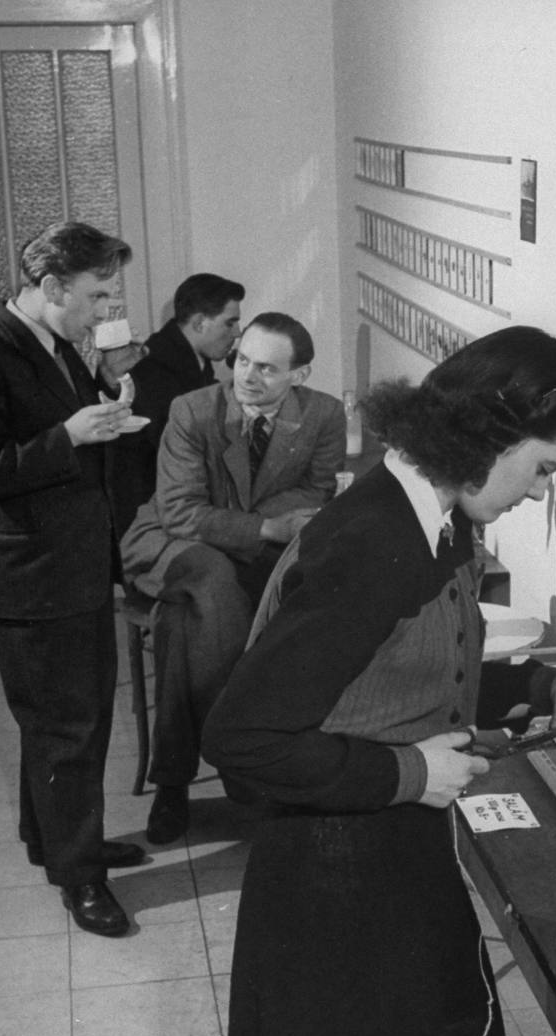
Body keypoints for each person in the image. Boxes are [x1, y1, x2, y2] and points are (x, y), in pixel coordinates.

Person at [200, 326, 556, 1036]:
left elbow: (398, 673)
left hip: (387, 878)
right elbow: (245, 738)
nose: (543, 492)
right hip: (339, 900)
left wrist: (533, 688)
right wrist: (410, 776)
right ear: (487, 436)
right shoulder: (374, 538)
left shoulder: (434, 518)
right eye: (546, 469)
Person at [0, 220, 147, 937]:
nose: (102, 309)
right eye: (96, 294)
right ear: (52, 286)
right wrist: (71, 437)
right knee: (68, 726)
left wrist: (111, 391)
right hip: (28, 578)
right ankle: (80, 877)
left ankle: (55, 841)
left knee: (66, 717)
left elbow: (69, 415)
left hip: (73, 564)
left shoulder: (55, 340)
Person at [121, 312, 347, 844]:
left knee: (185, 622)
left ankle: (173, 782)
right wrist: (265, 524)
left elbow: (317, 494)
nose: (247, 376)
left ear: (301, 374)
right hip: (174, 545)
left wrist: (256, 525)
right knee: (212, 577)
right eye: (242, 360)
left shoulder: (324, 415)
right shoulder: (193, 409)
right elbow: (178, 510)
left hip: (248, 556)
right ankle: (239, 768)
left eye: (267, 369)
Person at [111, 272, 245, 537]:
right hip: (150, 518)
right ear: (198, 323)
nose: (237, 333)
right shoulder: (151, 369)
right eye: (230, 323)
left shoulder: (196, 365)